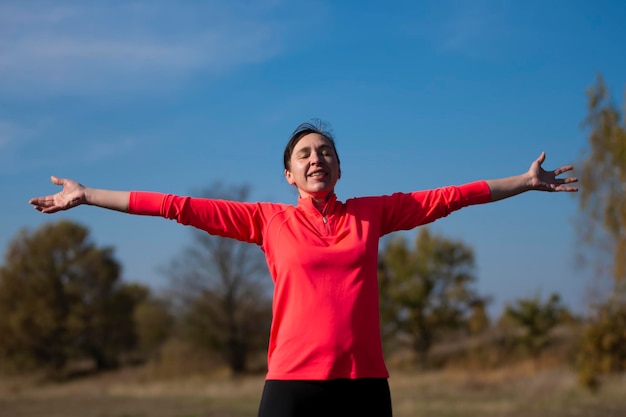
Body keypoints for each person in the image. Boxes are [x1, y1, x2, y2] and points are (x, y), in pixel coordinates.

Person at [29, 120, 578, 417]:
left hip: (363, 385)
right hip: (291, 386)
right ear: (289, 175)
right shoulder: (267, 222)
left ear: (339, 166)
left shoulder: (373, 213)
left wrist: (523, 182)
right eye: (304, 155)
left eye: (326, 152)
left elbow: (449, 197)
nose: (316, 159)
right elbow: (177, 205)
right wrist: (89, 195)